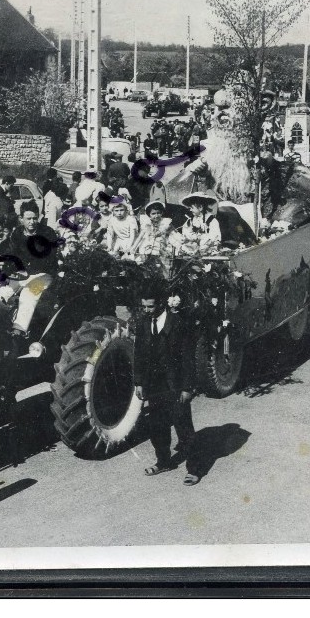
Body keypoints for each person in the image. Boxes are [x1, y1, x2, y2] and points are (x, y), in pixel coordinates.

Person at [132, 288, 199, 485]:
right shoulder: (144, 323)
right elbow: (139, 355)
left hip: (176, 385)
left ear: (161, 303)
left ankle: (194, 469)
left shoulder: (178, 323)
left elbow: (188, 358)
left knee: (183, 426)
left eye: (150, 306)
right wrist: (139, 382)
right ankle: (164, 462)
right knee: (157, 426)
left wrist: (188, 387)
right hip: (154, 385)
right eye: (143, 306)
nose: (146, 310)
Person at [12, 202, 60, 275]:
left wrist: (29, 270)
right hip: (22, 273)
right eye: (28, 219)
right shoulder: (17, 233)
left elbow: (50, 257)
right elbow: (13, 253)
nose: (32, 222)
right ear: (21, 219)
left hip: (44, 272)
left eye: (34, 218)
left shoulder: (48, 232)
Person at [138, 201, 178, 275]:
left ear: (162, 213)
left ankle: (165, 276)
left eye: (158, 213)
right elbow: (141, 236)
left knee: (164, 264)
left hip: (163, 244)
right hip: (150, 245)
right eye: (153, 213)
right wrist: (133, 247)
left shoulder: (166, 222)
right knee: (146, 261)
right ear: (149, 215)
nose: (156, 216)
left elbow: (172, 233)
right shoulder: (147, 224)